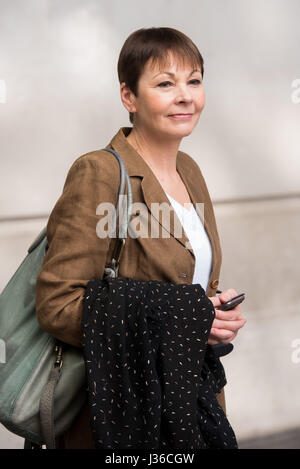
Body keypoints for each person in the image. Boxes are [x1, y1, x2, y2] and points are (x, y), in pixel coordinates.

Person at [36, 27, 246, 449]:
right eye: (165, 83)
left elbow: (192, 288)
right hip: (124, 416)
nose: (185, 95)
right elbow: (58, 305)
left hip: (190, 405)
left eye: (194, 80)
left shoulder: (190, 171)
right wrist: (184, 321)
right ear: (129, 97)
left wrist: (214, 314)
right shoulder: (100, 173)